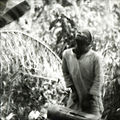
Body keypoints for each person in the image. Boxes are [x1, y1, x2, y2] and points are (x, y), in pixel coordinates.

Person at [62, 30, 104, 119]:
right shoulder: (67, 55)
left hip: (92, 100)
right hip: (75, 98)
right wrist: (73, 90)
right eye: (79, 32)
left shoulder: (95, 58)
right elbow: (65, 73)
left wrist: (89, 98)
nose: (80, 34)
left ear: (89, 43)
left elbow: (99, 79)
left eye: (83, 34)